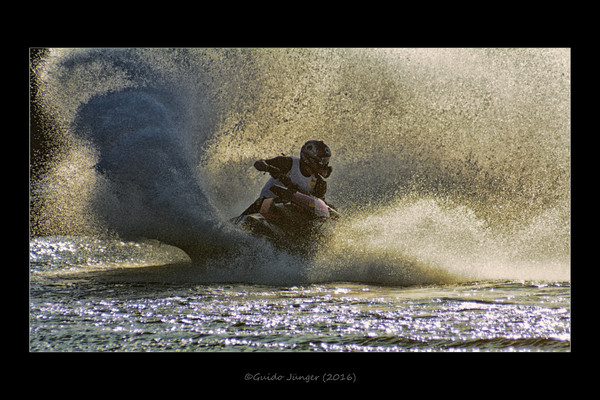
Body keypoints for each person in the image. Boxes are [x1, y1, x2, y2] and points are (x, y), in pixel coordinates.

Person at [241, 140, 332, 215]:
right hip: (265, 206)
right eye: (323, 160)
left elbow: (319, 206)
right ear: (310, 158)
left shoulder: (320, 183)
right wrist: (269, 168)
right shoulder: (287, 163)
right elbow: (258, 164)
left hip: (294, 215)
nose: (325, 164)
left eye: (326, 160)